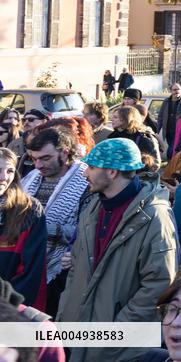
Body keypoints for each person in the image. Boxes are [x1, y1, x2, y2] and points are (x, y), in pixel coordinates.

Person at [58, 138, 179, 362]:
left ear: (112, 172)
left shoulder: (155, 217)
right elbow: (76, 269)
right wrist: (65, 316)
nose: (86, 174)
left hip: (120, 348)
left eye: (92, 168)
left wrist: (117, 333)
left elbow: (160, 285)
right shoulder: (93, 208)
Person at [22, 127, 90, 315]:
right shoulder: (31, 177)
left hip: (62, 270)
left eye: (45, 158)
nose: (38, 165)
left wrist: (42, 229)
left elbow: (86, 231)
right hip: (27, 266)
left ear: (65, 151)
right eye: (34, 159)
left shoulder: (86, 181)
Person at [0, 148, 46, 310]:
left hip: (10, 307)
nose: (4, 177)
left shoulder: (28, 210)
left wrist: (10, 306)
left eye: (10, 171)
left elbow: (31, 271)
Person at [158, 83, 181, 156]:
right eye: (175, 90)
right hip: (168, 131)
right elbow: (161, 116)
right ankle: (172, 164)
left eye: (178, 89)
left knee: (171, 150)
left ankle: (170, 163)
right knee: (172, 148)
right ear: (171, 91)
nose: (177, 91)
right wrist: (157, 129)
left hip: (179, 131)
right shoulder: (166, 101)